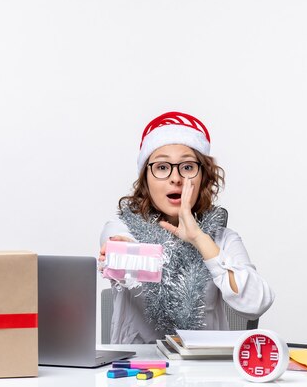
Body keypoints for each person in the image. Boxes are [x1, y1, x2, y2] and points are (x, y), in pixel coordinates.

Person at [99, 111, 274, 344]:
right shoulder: (122, 228)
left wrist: (199, 238)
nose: (175, 178)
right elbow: (121, 253)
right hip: (138, 370)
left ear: (204, 177)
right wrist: (123, 253)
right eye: (162, 167)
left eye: (188, 167)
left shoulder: (223, 239)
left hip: (206, 372)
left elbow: (256, 304)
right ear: (146, 179)